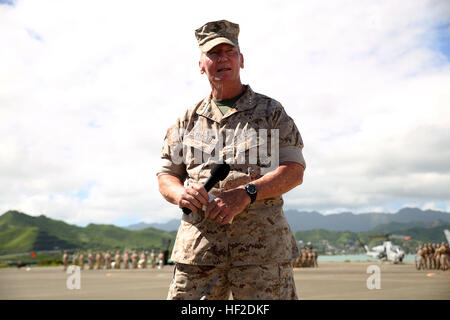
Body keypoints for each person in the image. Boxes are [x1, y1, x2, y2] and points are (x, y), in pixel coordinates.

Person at [157, 20, 305, 300]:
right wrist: (181, 194)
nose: (222, 58)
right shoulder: (187, 121)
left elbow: (294, 171)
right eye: (213, 53)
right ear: (201, 64)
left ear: (241, 60)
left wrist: (248, 193)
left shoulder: (271, 113)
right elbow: (166, 175)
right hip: (199, 255)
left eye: (229, 51)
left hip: (261, 255)